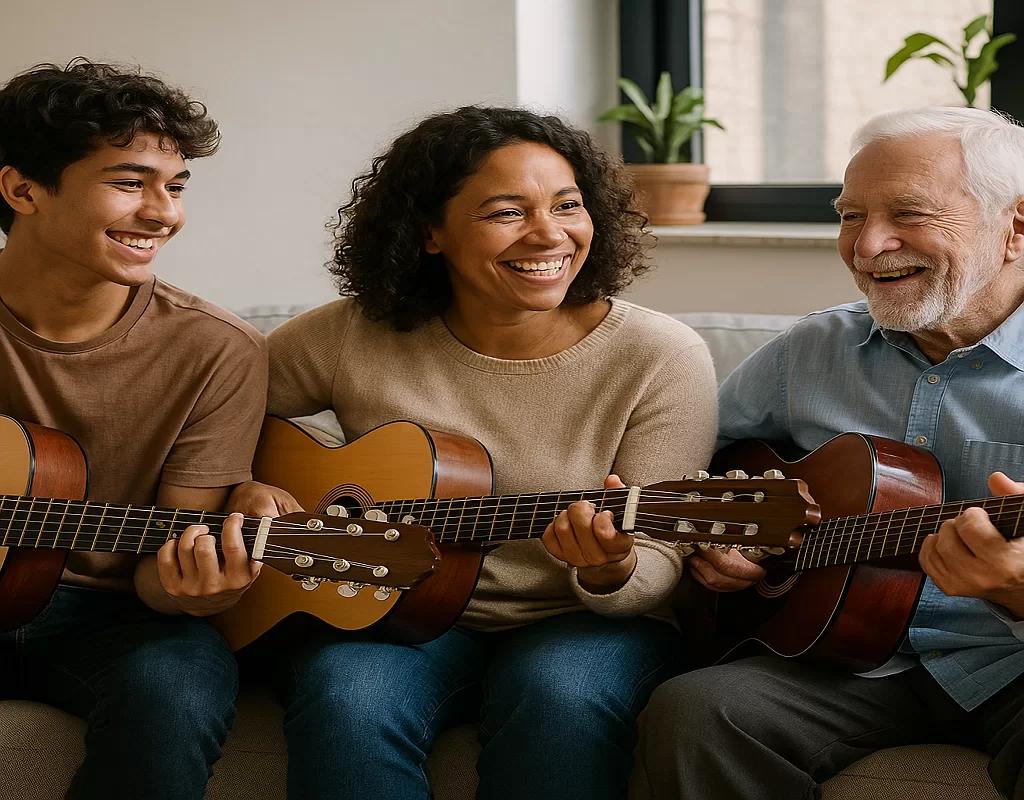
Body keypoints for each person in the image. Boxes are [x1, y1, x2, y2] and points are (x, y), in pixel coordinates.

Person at [231, 106, 718, 798]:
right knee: (346, 694)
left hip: (583, 623)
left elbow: (661, 557)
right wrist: (239, 482)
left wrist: (612, 566)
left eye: (568, 205)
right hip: (393, 611)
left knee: (560, 697)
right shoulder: (351, 335)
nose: (549, 234)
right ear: (429, 232)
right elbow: (217, 411)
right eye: (506, 212)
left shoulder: (659, 357)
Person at [635, 105, 1024, 800]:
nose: (868, 245)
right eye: (850, 216)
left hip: (1012, 663)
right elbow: (680, 469)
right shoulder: (810, 350)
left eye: (909, 213)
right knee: (697, 711)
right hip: (846, 662)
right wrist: (715, 543)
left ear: (1015, 227)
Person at [0, 60, 267, 799]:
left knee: (175, 687)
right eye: (129, 182)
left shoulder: (216, 350)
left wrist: (196, 590)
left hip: (110, 614)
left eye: (176, 187)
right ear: (22, 190)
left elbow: (163, 567)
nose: (163, 214)